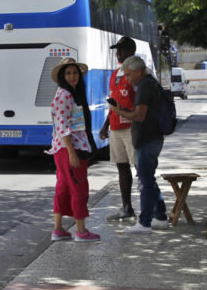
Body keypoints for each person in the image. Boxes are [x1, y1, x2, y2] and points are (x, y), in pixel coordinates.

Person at [109, 56, 169, 233]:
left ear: (138, 71)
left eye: (128, 75)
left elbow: (140, 115)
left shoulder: (144, 87)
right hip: (152, 137)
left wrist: (119, 111)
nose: (127, 79)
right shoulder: (152, 83)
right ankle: (160, 217)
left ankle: (144, 222)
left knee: (145, 182)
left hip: (147, 138)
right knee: (148, 179)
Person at [46, 58, 100, 242]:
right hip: (70, 149)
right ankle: (81, 231)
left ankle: (58, 229)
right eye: (68, 73)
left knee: (63, 188)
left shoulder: (69, 94)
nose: (72, 76)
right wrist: (71, 152)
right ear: (62, 76)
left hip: (64, 149)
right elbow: (63, 127)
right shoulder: (65, 95)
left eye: (74, 72)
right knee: (78, 187)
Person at [99, 36, 137, 221]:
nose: (118, 53)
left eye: (121, 50)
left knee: (141, 167)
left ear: (132, 51)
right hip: (116, 127)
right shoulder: (114, 75)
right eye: (117, 50)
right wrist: (105, 125)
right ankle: (126, 207)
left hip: (133, 127)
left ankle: (152, 208)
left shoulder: (138, 73)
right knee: (122, 167)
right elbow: (113, 103)